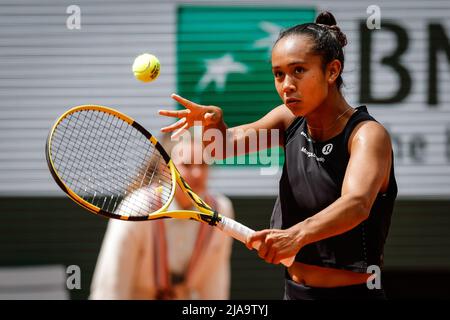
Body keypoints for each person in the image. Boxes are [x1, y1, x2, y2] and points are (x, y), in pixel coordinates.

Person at [158, 11, 397, 300]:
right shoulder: (288, 120)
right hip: (294, 292)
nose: (287, 85)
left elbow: (356, 204)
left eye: (298, 71)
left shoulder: (367, 135)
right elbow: (221, 147)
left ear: (332, 71)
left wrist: (295, 235)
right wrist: (215, 126)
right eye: (278, 74)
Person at [90, 134, 235, 300]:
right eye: (187, 164)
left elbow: (215, 282)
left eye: (203, 164)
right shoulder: (137, 208)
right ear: (165, 169)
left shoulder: (220, 210)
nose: (197, 173)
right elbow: (110, 287)